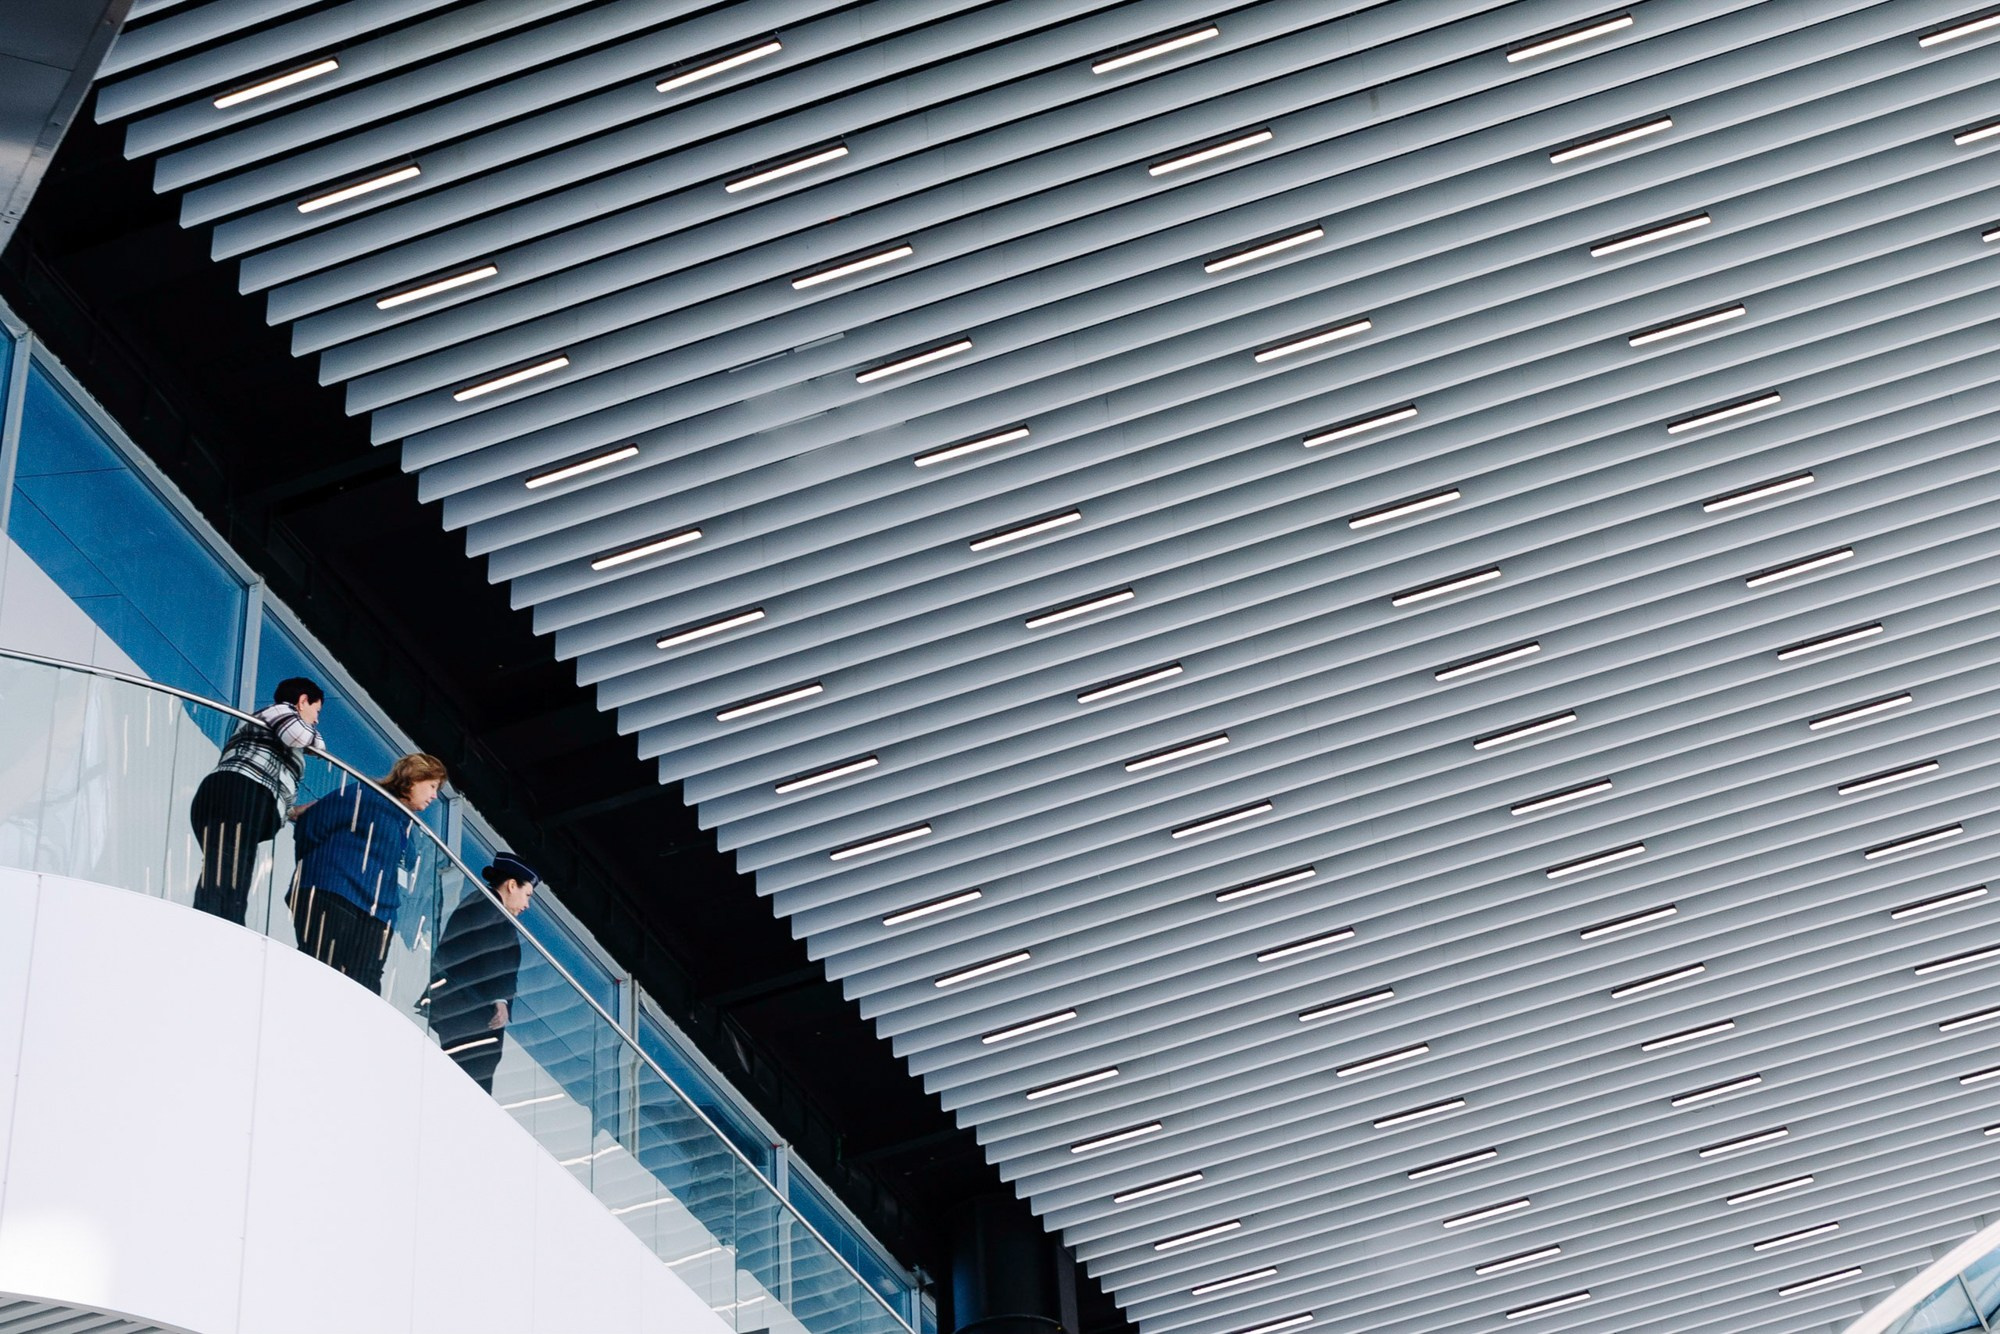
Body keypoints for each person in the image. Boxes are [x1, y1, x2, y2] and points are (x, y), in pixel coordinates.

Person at [288, 752, 447, 995]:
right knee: (321, 968)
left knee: (366, 986)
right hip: (334, 894)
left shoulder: (408, 825)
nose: (435, 796)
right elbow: (314, 824)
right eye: (432, 786)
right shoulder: (367, 795)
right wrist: (324, 869)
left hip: (376, 913)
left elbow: (409, 862)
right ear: (413, 778)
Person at [189, 677, 324, 924]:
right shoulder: (281, 711)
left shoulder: (277, 725)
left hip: (239, 796)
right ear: (303, 701)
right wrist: (318, 744)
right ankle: (220, 927)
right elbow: (297, 736)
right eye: (316, 711)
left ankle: (218, 924)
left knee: (229, 869)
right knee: (229, 869)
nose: (316, 719)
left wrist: (292, 812)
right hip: (239, 793)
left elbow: (272, 778)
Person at [424, 853, 537, 1093]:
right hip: (467, 1009)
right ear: (511, 885)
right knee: (470, 1081)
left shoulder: (485, 906)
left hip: (466, 1008)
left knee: (471, 1079)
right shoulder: (486, 905)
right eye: (527, 895)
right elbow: (489, 952)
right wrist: (500, 998)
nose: (527, 904)